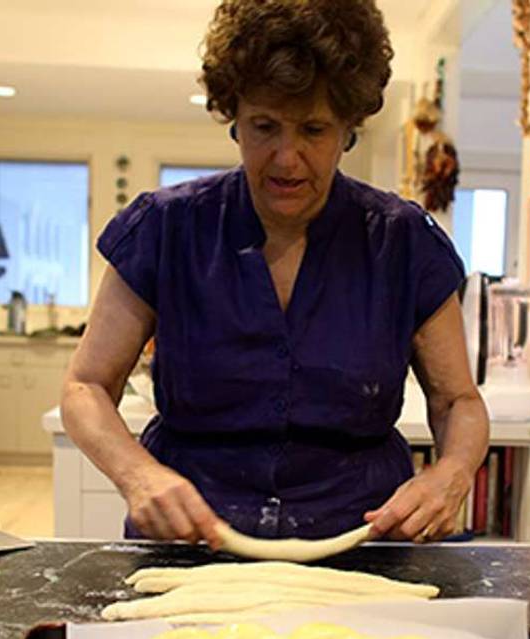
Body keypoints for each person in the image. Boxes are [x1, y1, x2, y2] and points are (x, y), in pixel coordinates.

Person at [61, 0, 489, 548]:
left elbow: (458, 402)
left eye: (313, 129)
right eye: (265, 127)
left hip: (361, 543)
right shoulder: (166, 228)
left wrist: (451, 474)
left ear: (348, 130)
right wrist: (137, 474)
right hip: (193, 542)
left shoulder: (403, 241)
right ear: (234, 121)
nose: (287, 158)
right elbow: (85, 386)